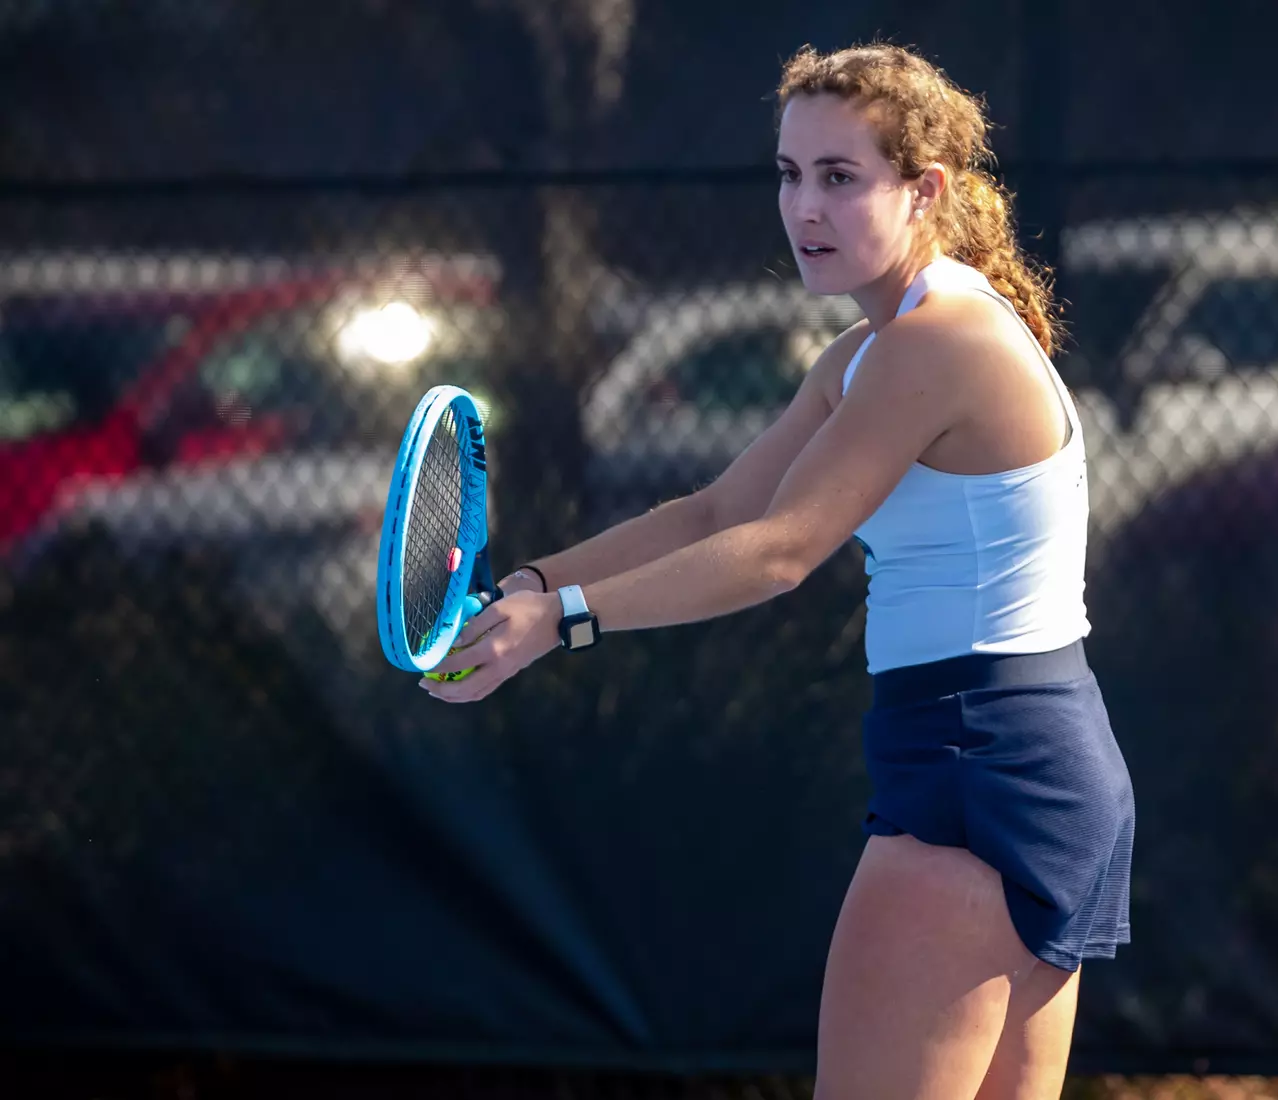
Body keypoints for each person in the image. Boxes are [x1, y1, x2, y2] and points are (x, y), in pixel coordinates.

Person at [423, 40, 1135, 1100]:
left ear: (924, 190)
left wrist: (568, 621)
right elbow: (714, 509)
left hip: (971, 767)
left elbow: (780, 548)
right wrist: (527, 586)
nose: (805, 206)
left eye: (840, 177)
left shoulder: (931, 344)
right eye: (790, 173)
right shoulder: (869, 349)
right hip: (1039, 761)